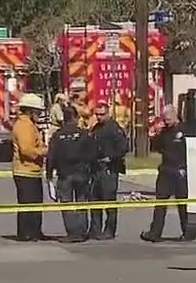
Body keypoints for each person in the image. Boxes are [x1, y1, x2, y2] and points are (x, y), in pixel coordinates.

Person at [141, 105, 192, 242]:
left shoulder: (185, 130)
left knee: (182, 203)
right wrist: (154, 136)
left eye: (168, 118)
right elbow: (156, 148)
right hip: (166, 170)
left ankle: (187, 231)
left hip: (180, 170)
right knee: (160, 203)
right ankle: (155, 233)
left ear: (175, 114)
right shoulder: (164, 132)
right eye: (165, 119)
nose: (166, 121)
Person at [46, 105, 95, 243]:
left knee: (66, 204)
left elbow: (51, 156)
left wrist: (49, 176)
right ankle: (82, 231)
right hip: (82, 173)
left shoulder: (57, 136)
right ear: (75, 117)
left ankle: (72, 232)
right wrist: (90, 171)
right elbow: (92, 154)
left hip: (64, 174)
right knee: (81, 202)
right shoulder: (83, 134)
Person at [89, 101, 129, 240]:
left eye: (102, 114)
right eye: (97, 114)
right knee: (95, 201)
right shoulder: (96, 128)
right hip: (96, 169)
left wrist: (111, 158)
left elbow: (124, 147)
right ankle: (95, 229)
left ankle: (109, 230)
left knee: (109, 200)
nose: (99, 117)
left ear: (108, 113)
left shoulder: (114, 128)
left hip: (109, 169)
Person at [11, 93, 47, 242]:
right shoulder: (24, 125)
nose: (39, 114)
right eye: (37, 111)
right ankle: (27, 233)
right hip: (25, 170)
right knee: (28, 203)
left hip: (31, 170)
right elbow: (26, 149)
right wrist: (43, 152)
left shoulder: (29, 124)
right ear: (30, 110)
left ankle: (34, 231)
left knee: (35, 203)